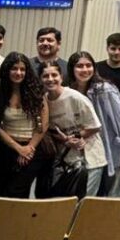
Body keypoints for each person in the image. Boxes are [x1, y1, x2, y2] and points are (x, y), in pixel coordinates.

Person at [0, 53, 49, 199]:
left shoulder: (36, 92)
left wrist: (28, 149)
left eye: (22, 69)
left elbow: (43, 124)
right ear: (7, 70)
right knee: (1, 194)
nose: (18, 73)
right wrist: (18, 148)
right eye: (14, 68)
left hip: (32, 149)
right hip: (4, 148)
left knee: (16, 193)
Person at [68, 51, 120, 198]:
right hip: (86, 150)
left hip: (111, 148)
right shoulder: (70, 91)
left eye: (88, 65)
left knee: (111, 194)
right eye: (80, 66)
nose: (85, 69)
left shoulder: (105, 89)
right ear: (72, 69)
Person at [40, 62, 101, 199]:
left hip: (89, 159)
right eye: (46, 76)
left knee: (82, 204)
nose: (50, 79)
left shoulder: (75, 97)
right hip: (65, 160)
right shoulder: (44, 101)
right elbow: (50, 130)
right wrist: (65, 140)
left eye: (54, 75)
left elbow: (95, 126)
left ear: (61, 77)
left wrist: (75, 137)